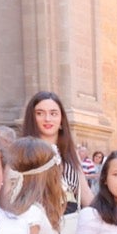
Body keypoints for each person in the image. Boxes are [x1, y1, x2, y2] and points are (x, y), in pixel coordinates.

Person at [21, 91, 91, 225]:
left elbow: (85, 192)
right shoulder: (23, 152)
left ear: (61, 120)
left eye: (53, 113)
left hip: (72, 224)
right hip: (40, 224)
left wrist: (105, 215)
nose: (47, 119)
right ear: (32, 118)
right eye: (40, 113)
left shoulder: (71, 153)